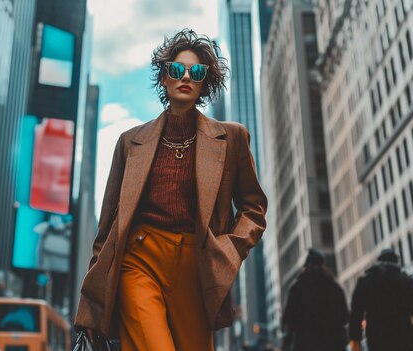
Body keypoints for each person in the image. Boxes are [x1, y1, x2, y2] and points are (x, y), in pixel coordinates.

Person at [73, 28, 268, 351]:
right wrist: (92, 306)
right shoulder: (130, 142)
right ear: (164, 78)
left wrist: (231, 248)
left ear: (206, 82)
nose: (185, 77)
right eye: (176, 70)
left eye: (197, 72)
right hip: (139, 260)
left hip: (197, 265)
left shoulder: (231, 138)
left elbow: (253, 208)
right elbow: (106, 230)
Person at [349, 249, 413, 351]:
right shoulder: (406, 281)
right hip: (403, 335)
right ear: (396, 263)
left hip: (376, 337)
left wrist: (355, 337)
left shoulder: (366, 282)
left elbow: (356, 312)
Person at [282, 248, 349, 351]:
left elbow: (288, 319)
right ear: (323, 266)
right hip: (333, 344)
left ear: (305, 267)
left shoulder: (296, 288)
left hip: (305, 344)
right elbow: (344, 317)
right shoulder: (333, 287)